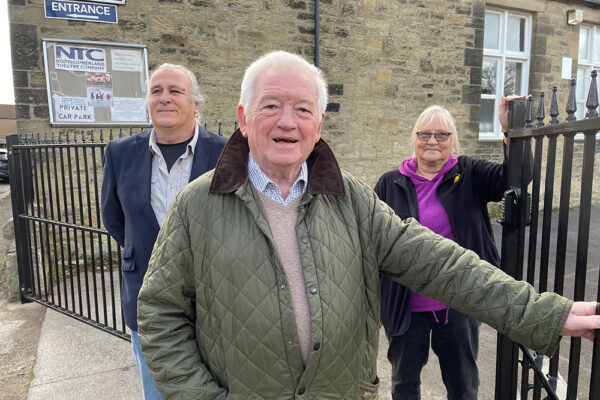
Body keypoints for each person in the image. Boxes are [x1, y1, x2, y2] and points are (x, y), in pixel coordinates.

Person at [136, 51, 600, 399]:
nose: (287, 121)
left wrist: (540, 311)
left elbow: (438, 263)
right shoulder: (195, 206)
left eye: (302, 109)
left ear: (318, 123)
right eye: (270, 105)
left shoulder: (351, 198)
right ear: (243, 118)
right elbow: (159, 315)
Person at [375, 100, 522, 400]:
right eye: (424, 134)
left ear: (453, 140)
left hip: (460, 304)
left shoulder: (469, 173)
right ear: (414, 139)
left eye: (442, 134)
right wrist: (375, 301)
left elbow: (516, 176)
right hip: (406, 305)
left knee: (463, 386)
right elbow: (373, 244)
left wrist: (510, 130)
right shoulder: (390, 184)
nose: (432, 141)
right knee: (404, 385)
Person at [101, 63, 228, 399]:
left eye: (175, 90)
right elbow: (114, 219)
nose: (165, 98)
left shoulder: (227, 153)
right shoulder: (119, 153)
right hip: (147, 304)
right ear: (148, 100)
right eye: (156, 91)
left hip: (215, 304)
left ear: (196, 103)